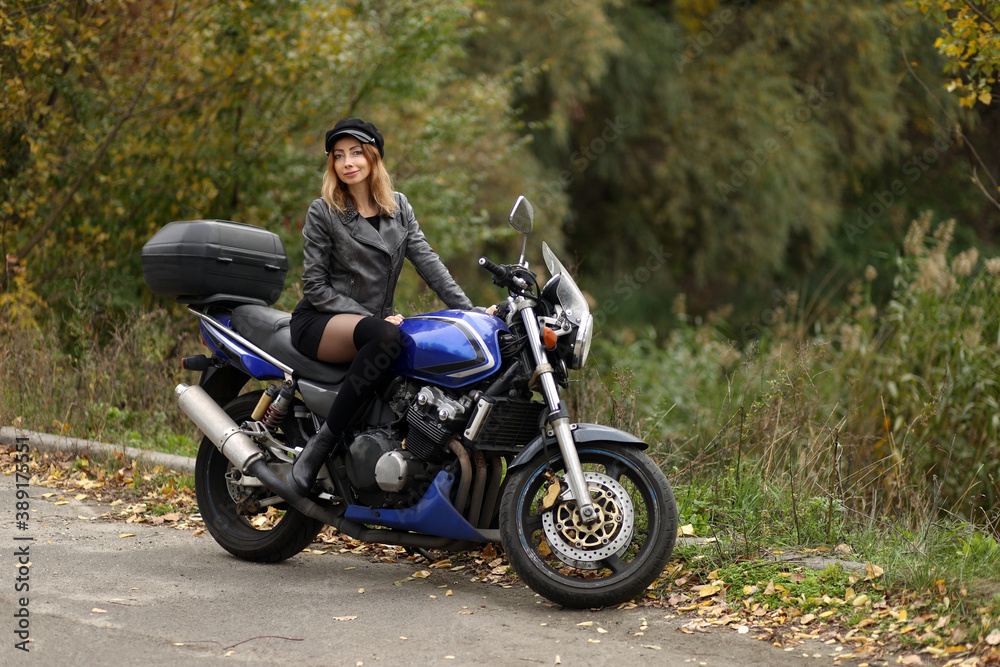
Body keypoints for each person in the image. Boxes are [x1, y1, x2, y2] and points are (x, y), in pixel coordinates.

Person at [287, 118, 474, 495]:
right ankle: (318, 448)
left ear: (373, 157)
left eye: (356, 152)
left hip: (370, 324)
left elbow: (429, 263)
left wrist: (469, 311)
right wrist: (371, 317)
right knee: (389, 337)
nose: (347, 162)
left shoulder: (398, 208)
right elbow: (316, 286)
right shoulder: (323, 211)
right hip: (322, 319)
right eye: (338, 156)